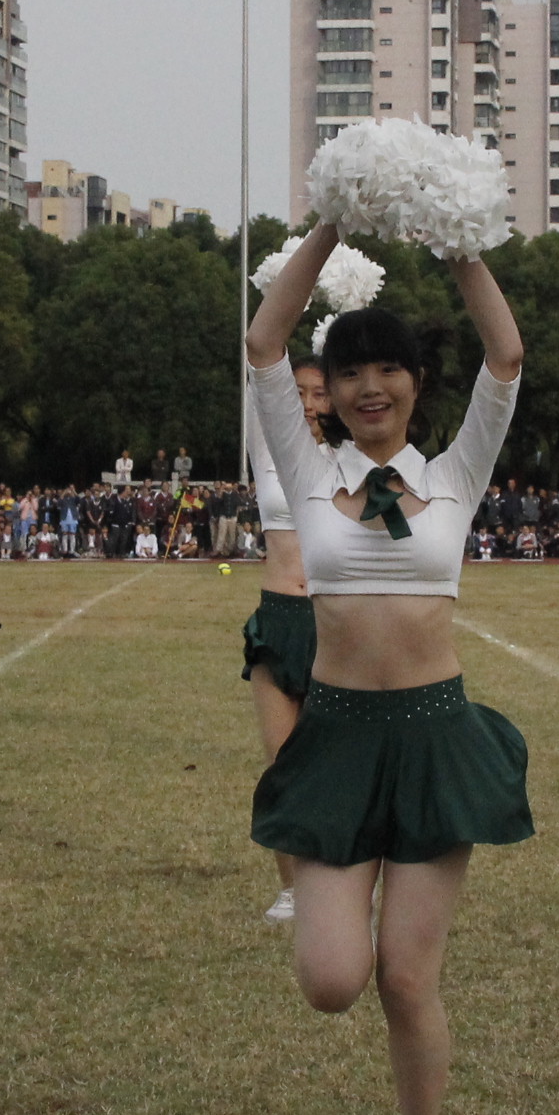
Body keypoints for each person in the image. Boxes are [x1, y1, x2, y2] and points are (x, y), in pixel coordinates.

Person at [245, 223, 530, 1115]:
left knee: (409, 977)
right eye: (352, 372)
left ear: (416, 380)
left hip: (432, 737)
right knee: (332, 984)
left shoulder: (455, 473)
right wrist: (331, 225)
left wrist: (454, 243)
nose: (369, 388)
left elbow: (507, 355)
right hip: (334, 738)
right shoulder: (308, 468)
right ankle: (335, 921)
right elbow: (265, 344)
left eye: (388, 370)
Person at [245, 355, 343, 922]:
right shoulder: (271, 449)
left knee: (336, 760)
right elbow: (260, 362)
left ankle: (344, 880)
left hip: (335, 623)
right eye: (299, 392)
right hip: (279, 615)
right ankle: (290, 888)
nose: (308, 404)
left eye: (320, 394)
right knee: (281, 760)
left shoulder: (348, 456)